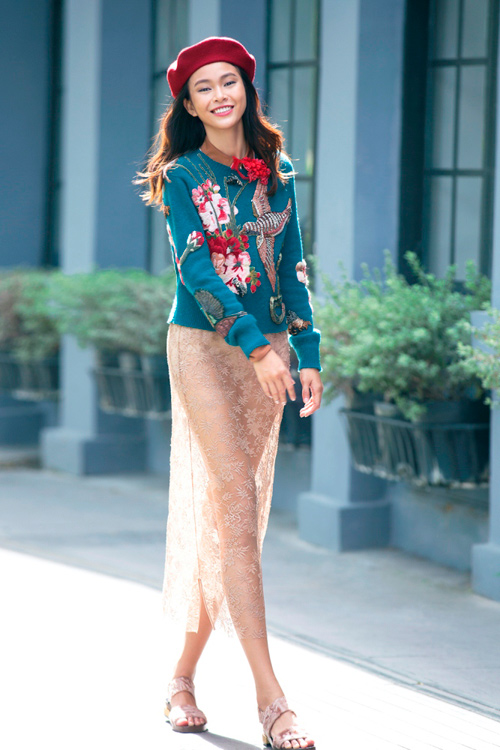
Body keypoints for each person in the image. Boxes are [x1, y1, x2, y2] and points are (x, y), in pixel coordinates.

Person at [134, 36, 323, 750]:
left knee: (232, 521)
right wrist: (256, 348)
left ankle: (180, 677)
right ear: (188, 105)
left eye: (229, 82)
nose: (220, 95)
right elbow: (198, 272)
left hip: (269, 353)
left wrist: (305, 350)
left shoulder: (278, 171)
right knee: (237, 502)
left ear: (247, 89)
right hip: (206, 350)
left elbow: (293, 265)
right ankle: (273, 701)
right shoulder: (183, 176)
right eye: (204, 88)